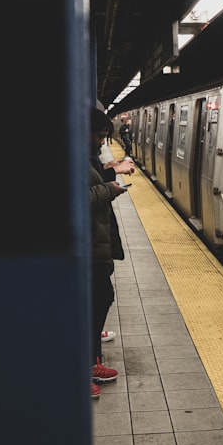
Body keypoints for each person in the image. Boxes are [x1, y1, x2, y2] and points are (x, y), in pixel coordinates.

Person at [89, 109, 129, 398]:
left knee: (100, 298)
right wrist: (111, 188)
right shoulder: (71, 156)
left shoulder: (83, 156)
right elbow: (77, 196)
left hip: (95, 242)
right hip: (87, 245)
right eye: (100, 136)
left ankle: (92, 361)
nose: (102, 143)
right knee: (98, 298)